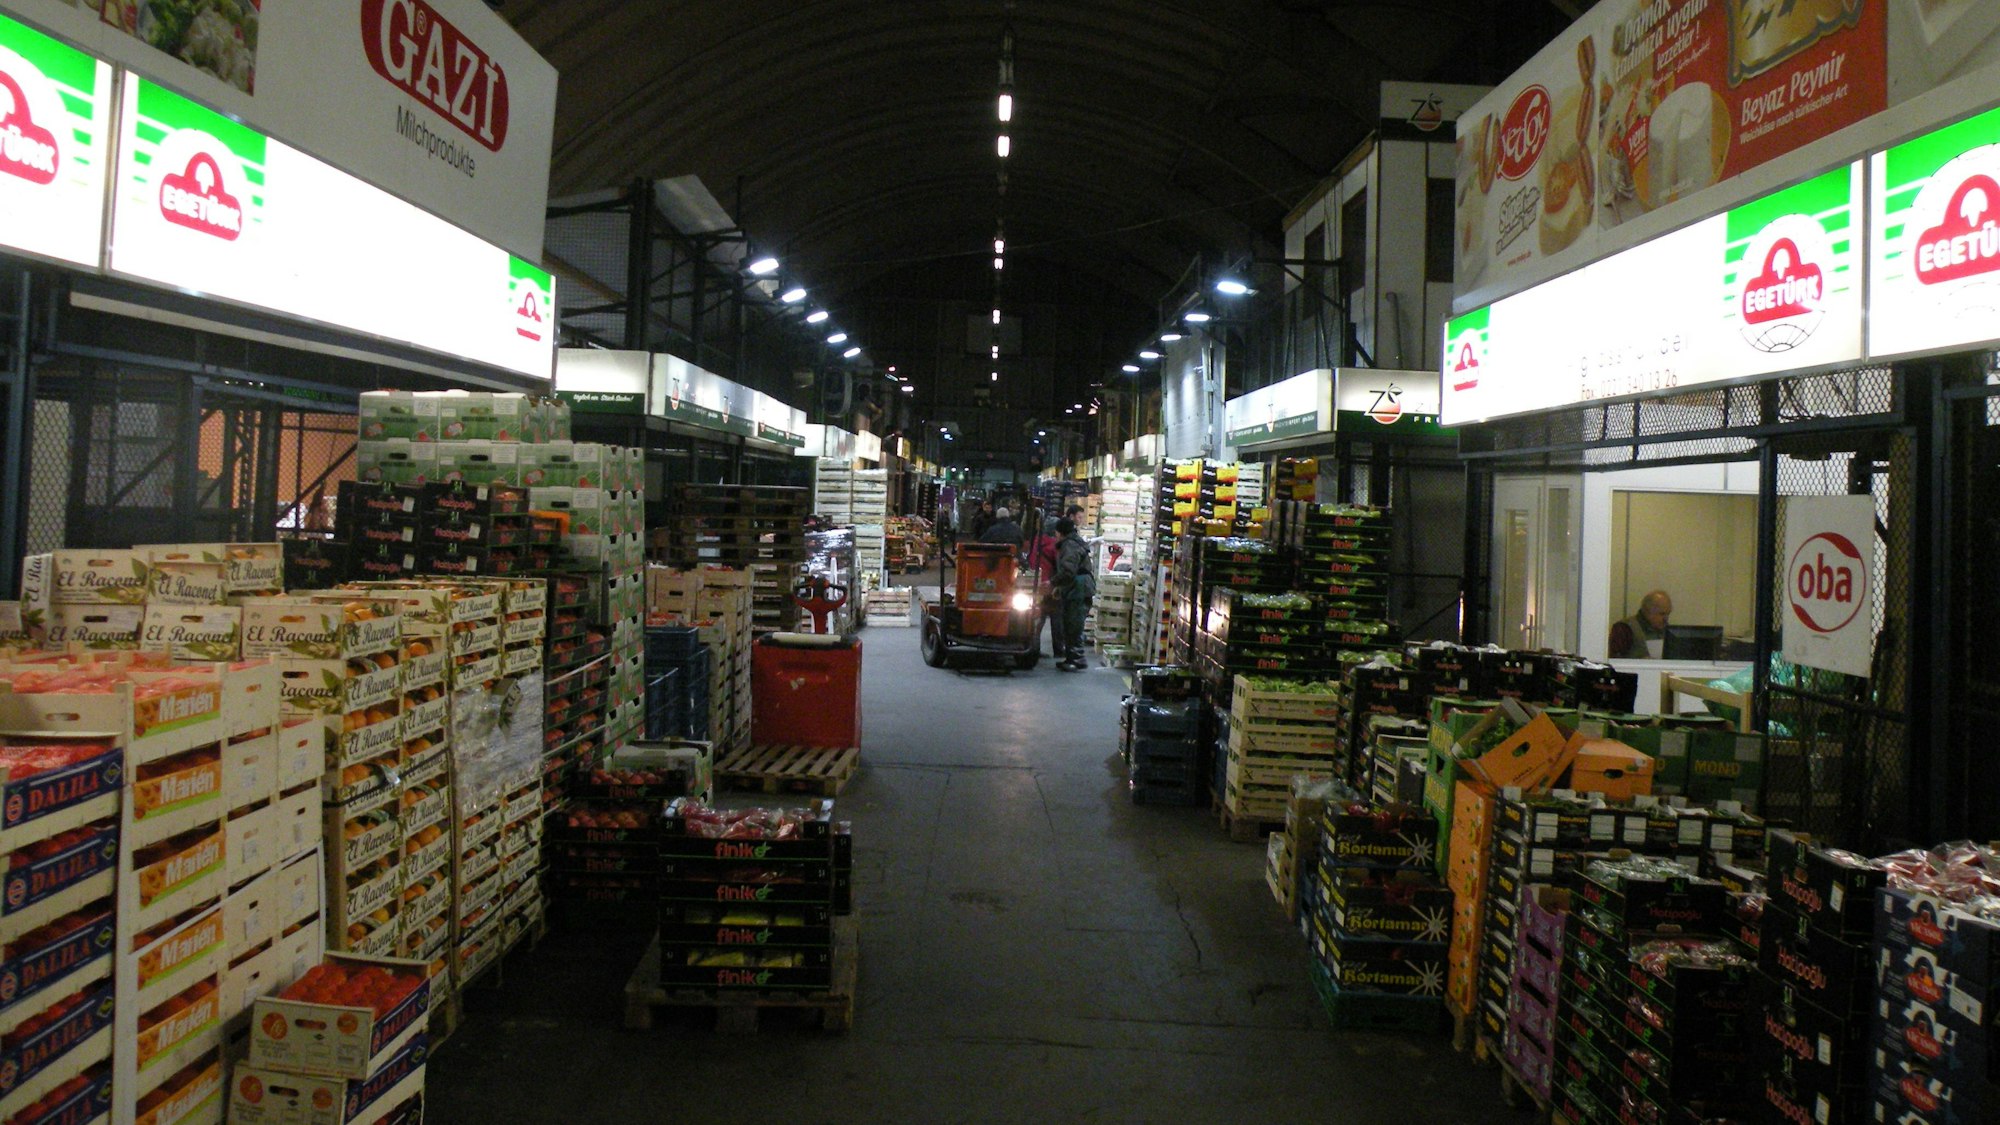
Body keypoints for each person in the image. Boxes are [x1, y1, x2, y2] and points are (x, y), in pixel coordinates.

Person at [1053, 517, 1095, 670]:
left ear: (1060, 532)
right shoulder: (1075, 542)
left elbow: (1068, 570)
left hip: (1078, 588)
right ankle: (1073, 657)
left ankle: (1077, 658)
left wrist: (1053, 582)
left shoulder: (1069, 545)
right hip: (1079, 588)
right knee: (1072, 623)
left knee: (1073, 624)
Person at [1022, 510, 1063, 657]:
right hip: (1049, 585)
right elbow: (1059, 565)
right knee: (1056, 617)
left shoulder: (1037, 541)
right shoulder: (1054, 545)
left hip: (1037, 583)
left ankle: (1034, 646)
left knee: (1038, 618)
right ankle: (1059, 649)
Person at [1609, 590, 1672, 659]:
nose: (1666, 619)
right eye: (1661, 614)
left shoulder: (1669, 631)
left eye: (1668, 614)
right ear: (1647, 611)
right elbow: (1615, 660)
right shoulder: (1624, 628)